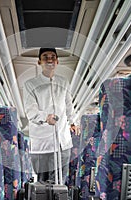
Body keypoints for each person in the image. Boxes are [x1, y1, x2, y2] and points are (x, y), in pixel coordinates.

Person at [23, 47, 79, 184]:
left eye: (52, 56)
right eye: (45, 57)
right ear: (39, 62)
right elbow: (31, 111)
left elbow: (68, 106)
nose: (49, 59)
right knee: (43, 183)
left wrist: (73, 122)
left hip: (63, 142)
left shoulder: (64, 82)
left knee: (60, 182)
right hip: (41, 144)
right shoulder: (30, 84)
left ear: (57, 62)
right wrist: (45, 117)